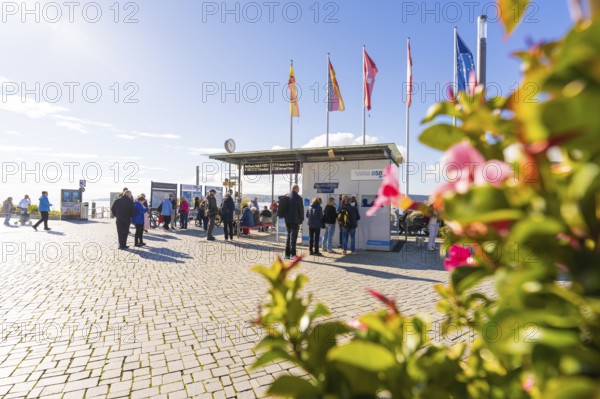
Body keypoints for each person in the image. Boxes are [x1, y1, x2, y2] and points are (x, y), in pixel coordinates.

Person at [283, 184, 304, 259]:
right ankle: (293, 254)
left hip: (287, 220)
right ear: (297, 189)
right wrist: (302, 219)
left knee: (288, 236)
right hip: (295, 220)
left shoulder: (286, 197)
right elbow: (301, 210)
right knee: (293, 237)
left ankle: (287, 254)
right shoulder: (299, 198)